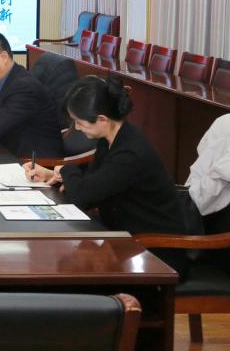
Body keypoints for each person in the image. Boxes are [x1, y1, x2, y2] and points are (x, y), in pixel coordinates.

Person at [26, 76, 190, 276]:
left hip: (154, 251)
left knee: (64, 269)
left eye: (79, 122)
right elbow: (94, 184)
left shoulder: (130, 153)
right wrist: (55, 174)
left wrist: (65, 170)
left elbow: (83, 196)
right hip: (125, 241)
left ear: (102, 119)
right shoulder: (110, 139)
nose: (76, 128)